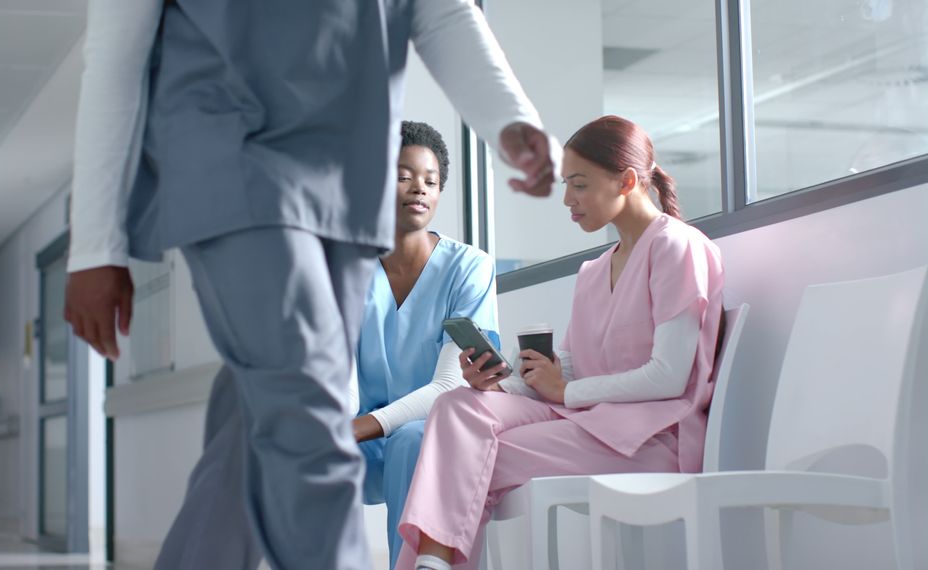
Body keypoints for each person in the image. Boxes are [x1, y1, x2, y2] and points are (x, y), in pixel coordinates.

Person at [62, 1, 558, 568]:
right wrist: (94, 245)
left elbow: (442, 13)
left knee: (254, 425)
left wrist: (509, 119)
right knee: (309, 421)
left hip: (346, 184)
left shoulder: (463, 264)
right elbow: (114, 51)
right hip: (234, 157)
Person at [396, 115, 725, 570]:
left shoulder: (677, 246)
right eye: (566, 185)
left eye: (579, 184)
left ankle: (430, 566)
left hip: (649, 436)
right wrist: (502, 383)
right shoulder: (594, 270)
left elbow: (670, 377)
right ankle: (433, 566)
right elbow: (570, 365)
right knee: (459, 404)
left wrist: (565, 391)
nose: (568, 199)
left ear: (626, 180)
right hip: (588, 417)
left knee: (471, 459)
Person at [351, 121, 499, 568]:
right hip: (364, 431)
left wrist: (356, 428)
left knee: (411, 441)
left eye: (431, 181)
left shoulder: (468, 268)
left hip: (435, 426)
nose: (419, 189)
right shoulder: (346, 271)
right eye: (402, 176)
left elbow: (450, 385)